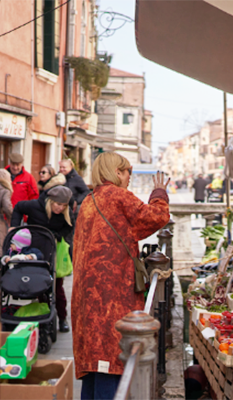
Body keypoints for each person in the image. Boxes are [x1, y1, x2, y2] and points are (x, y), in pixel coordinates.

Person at [71, 152, 169, 400]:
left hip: (87, 295)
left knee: (95, 363)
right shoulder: (117, 195)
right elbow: (155, 217)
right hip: (111, 294)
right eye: (128, 173)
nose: (129, 179)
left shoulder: (89, 200)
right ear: (117, 172)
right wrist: (159, 194)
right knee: (111, 360)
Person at [11, 185, 74, 332]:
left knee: (57, 286)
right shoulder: (35, 205)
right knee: (39, 284)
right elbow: (18, 207)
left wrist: (58, 235)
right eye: (58, 205)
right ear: (50, 201)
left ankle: (62, 318)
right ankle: (43, 315)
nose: (60, 208)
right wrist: (13, 227)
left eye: (64, 206)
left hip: (53, 250)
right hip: (33, 250)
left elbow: (70, 227)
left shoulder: (66, 212)